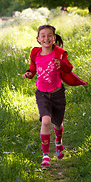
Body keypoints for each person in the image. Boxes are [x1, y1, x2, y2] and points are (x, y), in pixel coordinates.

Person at [22, 25, 74, 167]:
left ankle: (58, 142)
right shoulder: (35, 53)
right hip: (42, 94)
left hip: (57, 94)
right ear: (38, 39)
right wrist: (29, 74)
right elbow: (33, 69)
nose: (46, 38)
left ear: (54, 38)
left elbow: (69, 68)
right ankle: (45, 155)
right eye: (43, 36)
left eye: (49, 35)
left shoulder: (60, 53)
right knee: (45, 121)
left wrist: (61, 63)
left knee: (57, 123)